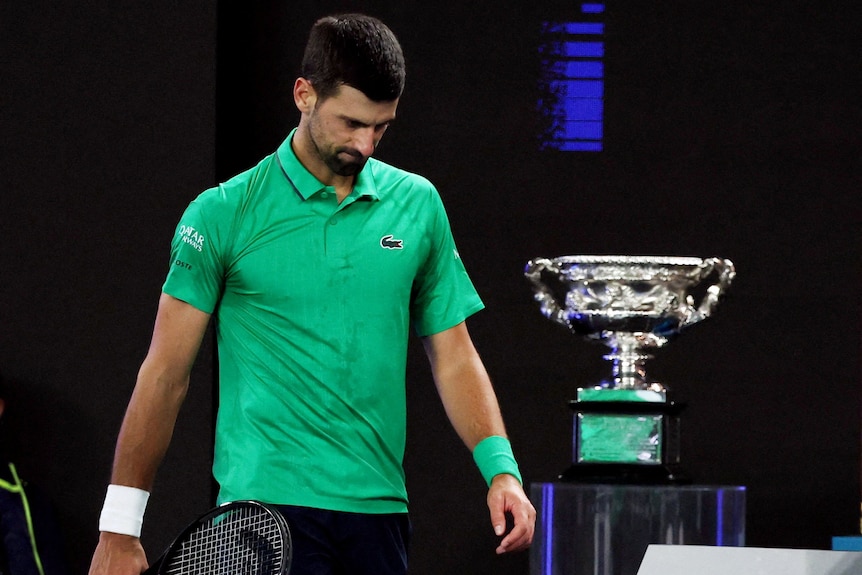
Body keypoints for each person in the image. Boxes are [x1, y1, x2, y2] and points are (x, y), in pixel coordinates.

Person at [88, 13, 535, 575]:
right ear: (304, 94)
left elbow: (453, 354)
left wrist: (501, 471)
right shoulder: (222, 213)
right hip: (263, 518)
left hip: (380, 517)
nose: (365, 144)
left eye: (381, 127)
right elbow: (164, 376)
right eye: (351, 123)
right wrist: (119, 529)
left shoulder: (418, 205)